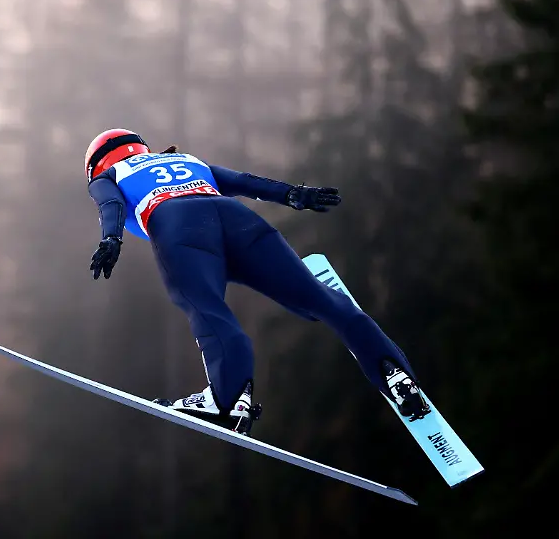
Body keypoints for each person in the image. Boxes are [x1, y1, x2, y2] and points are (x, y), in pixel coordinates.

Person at [85, 128, 430, 436]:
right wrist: (295, 194)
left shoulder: (108, 176)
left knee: (206, 308)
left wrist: (111, 239)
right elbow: (246, 182)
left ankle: (229, 397)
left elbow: (111, 204)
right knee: (321, 299)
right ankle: (393, 372)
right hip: (237, 220)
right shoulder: (185, 160)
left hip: (180, 227)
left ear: (97, 165)